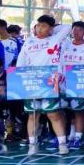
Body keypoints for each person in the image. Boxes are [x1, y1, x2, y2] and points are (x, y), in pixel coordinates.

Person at [17, 15, 71, 154]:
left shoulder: (55, 39)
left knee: (53, 114)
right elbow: (21, 61)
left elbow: (68, 27)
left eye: (44, 26)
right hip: (31, 82)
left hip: (49, 83)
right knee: (33, 115)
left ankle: (62, 144)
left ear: (51, 29)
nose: (40, 29)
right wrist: (20, 79)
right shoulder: (29, 41)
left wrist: (52, 29)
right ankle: (32, 144)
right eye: (39, 25)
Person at [60, 21, 84, 150]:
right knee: (64, 111)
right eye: (74, 29)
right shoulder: (65, 45)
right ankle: (66, 136)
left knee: (78, 111)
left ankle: (77, 137)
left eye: (79, 30)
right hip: (64, 83)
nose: (76, 32)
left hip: (79, 84)